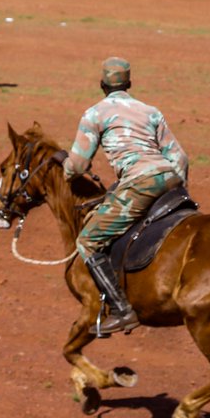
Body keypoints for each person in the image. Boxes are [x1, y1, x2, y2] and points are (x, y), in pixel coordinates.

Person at [62, 57, 189, 336]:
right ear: (129, 84)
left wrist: (66, 170)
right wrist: (180, 189)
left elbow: (79, 164)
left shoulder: (95, 114)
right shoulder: (151, 112)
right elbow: (180, 156)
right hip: (170, 178)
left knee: (89, 240)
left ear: (102, 85)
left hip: (140, 183)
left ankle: (122, 310)